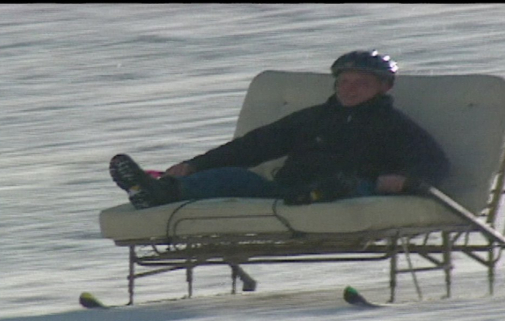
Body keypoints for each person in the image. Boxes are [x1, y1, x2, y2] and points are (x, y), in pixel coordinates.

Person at [109, 50, 450, 210]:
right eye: (344, 81)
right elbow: (254, 146)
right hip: (286, 190)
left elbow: (434, 165)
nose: (350, 88)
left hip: (352, 188)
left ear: (384, 88)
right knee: (230, 176)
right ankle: (159, 192)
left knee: (342, 184)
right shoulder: (314, 117)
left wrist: (403, 180)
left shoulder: (395, 126)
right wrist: (195, 165)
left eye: (361, 83)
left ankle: (316, 195)